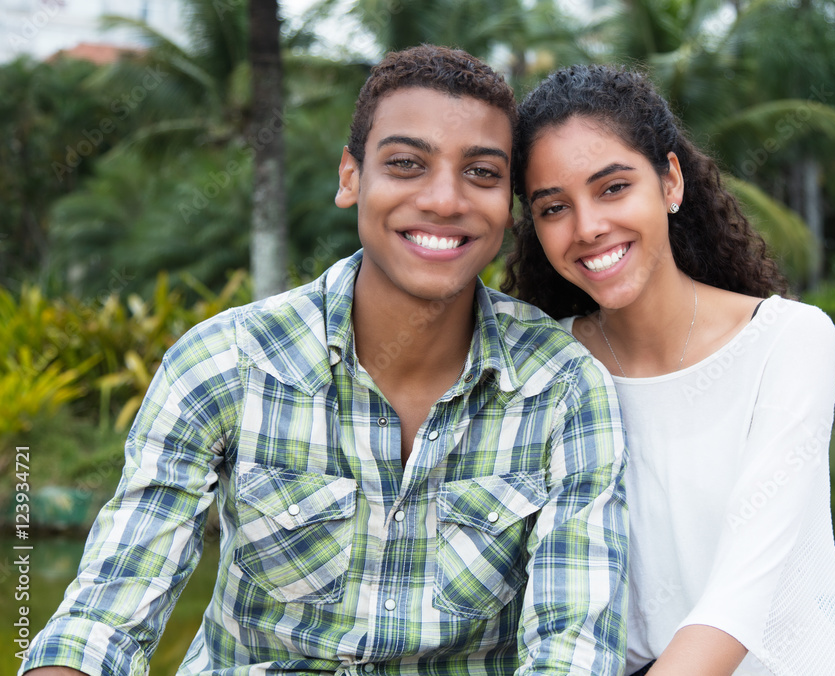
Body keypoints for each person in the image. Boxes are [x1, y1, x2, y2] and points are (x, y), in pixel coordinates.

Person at [21, 47, 629, 676]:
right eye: (405, 163)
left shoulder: (561, 386)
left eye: (481, 173)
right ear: (351, 177)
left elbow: (573, 645)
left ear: (509, 204)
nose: (446, 199)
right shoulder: (223, 364)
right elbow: (102, 619)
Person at [503, 64, 835, 676]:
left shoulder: (788, 341)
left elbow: (739, 597)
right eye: (554, 208)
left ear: (670, 182)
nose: (588, 228)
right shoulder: (547, 367)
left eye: (613, 188)